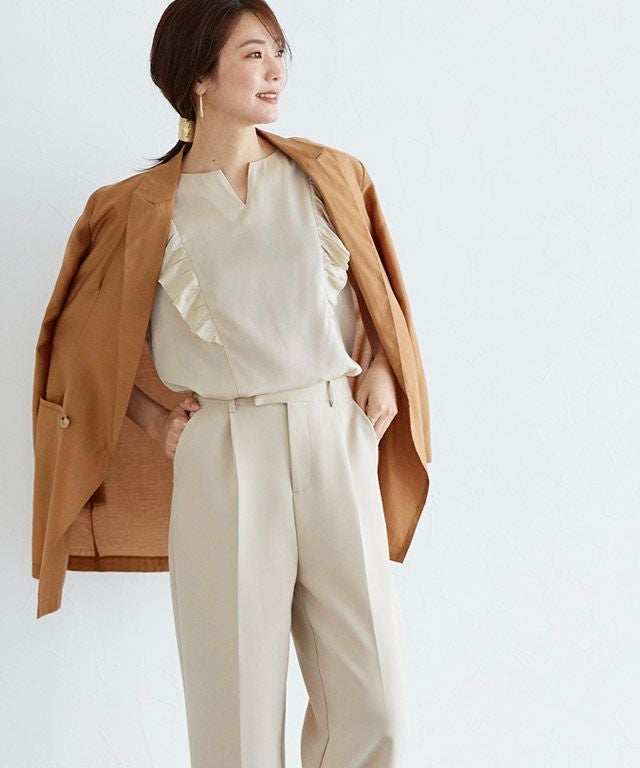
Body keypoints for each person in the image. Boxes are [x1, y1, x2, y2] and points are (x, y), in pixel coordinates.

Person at [31, 0, 432, 765]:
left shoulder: (329, 175)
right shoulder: (135, 209)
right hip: (224, 451)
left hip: (334, 434)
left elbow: (381, 295)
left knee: (377, 706)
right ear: (200, 76)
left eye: (279, 51)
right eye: (254, 54)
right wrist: (154, 419)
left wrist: (383, 363)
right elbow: (78, 352)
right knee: (235, 723)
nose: (276, 69)